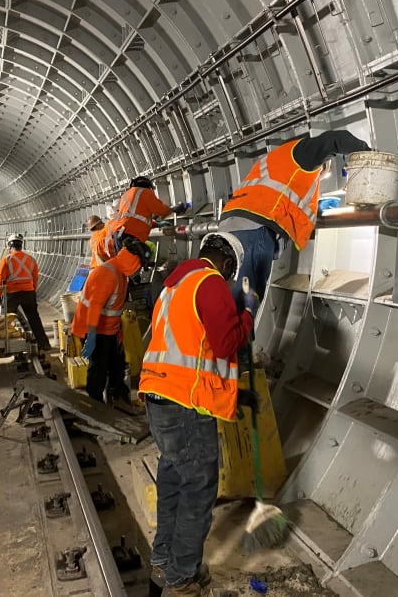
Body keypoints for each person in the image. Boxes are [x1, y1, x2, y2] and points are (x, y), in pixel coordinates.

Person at [139, 233, 260, 596]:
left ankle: (164, 561)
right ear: (226, 265)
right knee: (198, 491)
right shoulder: (209, 282)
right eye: (230, 275)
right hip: (185, 406)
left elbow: (193, 348)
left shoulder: (173, 287)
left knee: (173, 483)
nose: (229, 282)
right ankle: (182, 576)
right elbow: (224, 345)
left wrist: (235, 393)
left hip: (159, 398)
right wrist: (248, 313)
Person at [219, 130, 370, 301]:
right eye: (320, 176)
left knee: (224, 300)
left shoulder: (273, 160)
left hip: (228, 226)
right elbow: (335, 139)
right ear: (322, 163)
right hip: (255, 228)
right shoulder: (303, 153)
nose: (318, 179)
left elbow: (283, 195)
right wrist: (368, 156)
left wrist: (315, 209)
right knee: (244, 304)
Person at [71, 235, 151, 404]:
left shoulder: (120, 272)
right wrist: (91, 337)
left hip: (109, 330)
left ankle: (119, 398)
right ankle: (95, 407)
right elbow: (94, 307)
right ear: (134, 262)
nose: (140, 272)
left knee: (117, 365)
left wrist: (118, 333)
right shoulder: (107, 273)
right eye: (140, 267)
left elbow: (113, 309)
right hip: (94, 329)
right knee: (99, 370)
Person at [0, 234, 51, 357]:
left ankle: (2, 350)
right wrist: (32, 290)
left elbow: (0, 279)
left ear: (10, 246)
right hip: (28, 292)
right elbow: (35, 277)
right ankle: (44, 343)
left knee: (4, 321)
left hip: (12, 293)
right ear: (21, 245)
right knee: (34, 319)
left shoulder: (6, 259)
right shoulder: (30, 259)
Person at [106, 176, 188, 252]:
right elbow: (159, 209)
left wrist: (156, 224)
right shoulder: (144, 192)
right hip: (130, 235)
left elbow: (134, 217)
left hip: (119, 234)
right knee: (134, 262)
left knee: (124, 264)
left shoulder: (125, 195)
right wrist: (173, 209)